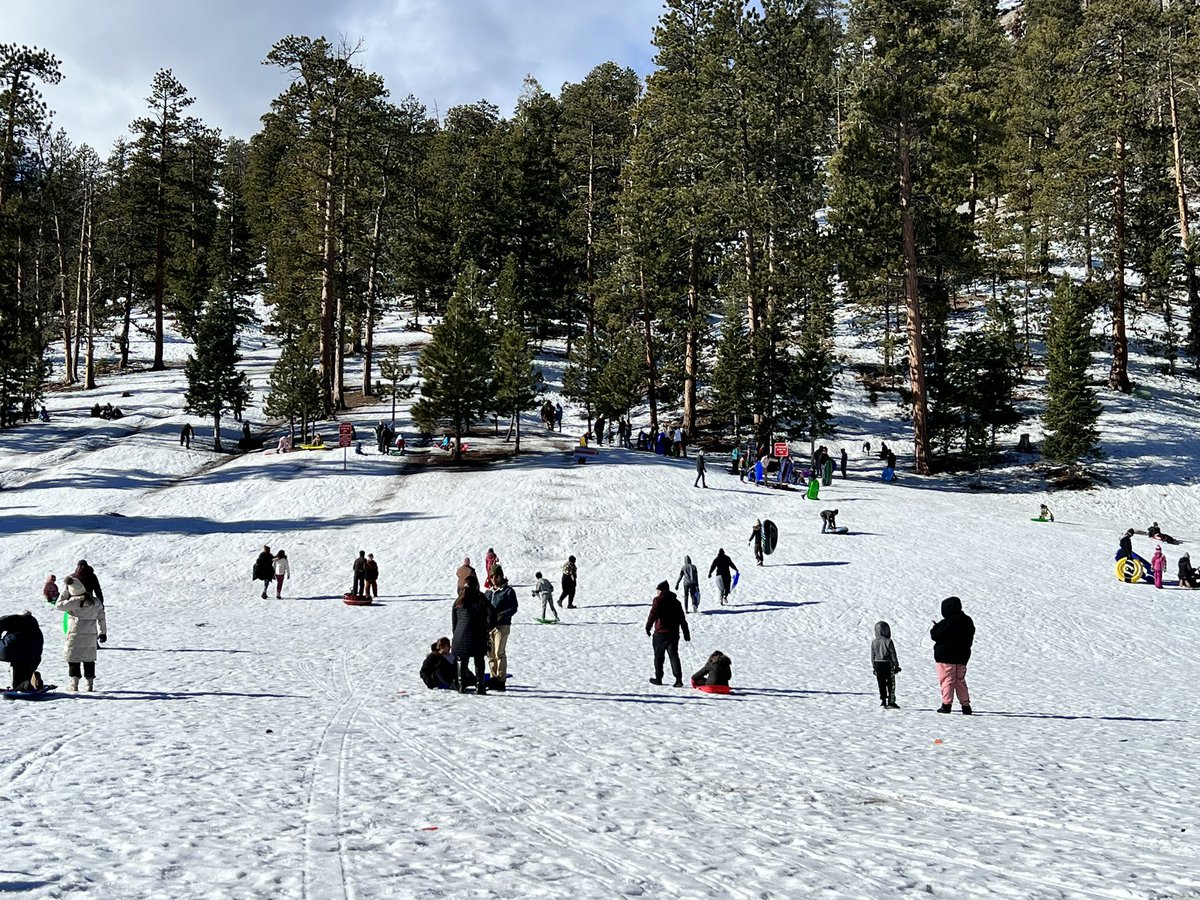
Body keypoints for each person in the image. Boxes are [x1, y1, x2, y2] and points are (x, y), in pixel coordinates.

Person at [57, 576, 107, 692]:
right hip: (90, 635)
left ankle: (74, 685)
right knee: (89, 660)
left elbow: (58, 605)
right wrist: (103, 632)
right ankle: (89, 685)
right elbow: (102, 617)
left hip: (75, 635)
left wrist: (65, 591)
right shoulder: (95, 601)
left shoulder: (74, 602)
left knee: (73, 659)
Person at [931, 596, 975, 715]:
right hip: (962, 657)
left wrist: (936, 627)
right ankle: (966, 706)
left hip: (945, 657)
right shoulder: (967, 620)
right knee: (960, 681)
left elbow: (935, 635)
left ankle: (946, 705)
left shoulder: (947, 622)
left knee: (947, 680)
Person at [452, 574, 492, 694]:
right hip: (477, 635)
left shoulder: (458, 600)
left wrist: (456, 633)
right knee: (479, 660)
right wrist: (487, 628)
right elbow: (492, 615)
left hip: (460, 636)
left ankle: (461, 685)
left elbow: (454, 621)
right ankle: (480, 686)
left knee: (461, 660)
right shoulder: (481, 599)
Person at [646, 581, 690, 687]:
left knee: (659, 657)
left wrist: (648, 626)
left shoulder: (658, 600)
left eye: (658, 590)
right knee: (674, 655)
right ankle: (678, 680)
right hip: (674, 633)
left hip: (660, 633)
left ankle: (659, 678)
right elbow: (682, 619)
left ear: (661, 590)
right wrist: (686, 632)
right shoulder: (676, 602)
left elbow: (653, 614)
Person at [486, 565, 518, 691]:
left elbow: (513, 607)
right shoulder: (488, 592)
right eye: (491, 576)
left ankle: (500, 679)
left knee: (499, 652)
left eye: (496, 576)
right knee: (491, 654)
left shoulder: (508, 591)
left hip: (502, 625)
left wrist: (502, 615)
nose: (494, 579)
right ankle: (493, 677)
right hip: (490, 627)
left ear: (501, 576)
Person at [0, 610, 44, 692]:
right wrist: (31, 671)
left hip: (8, 649)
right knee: (19, 683)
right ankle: (29, 683)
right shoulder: (37, 631)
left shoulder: (14, 619)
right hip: (26, 656)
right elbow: (38, 653)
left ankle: (28, 683)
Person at [871, 621, 901, 709]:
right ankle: (891, 701)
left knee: (881, 683)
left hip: (878, 663)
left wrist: (874, 666)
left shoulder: (874, 642)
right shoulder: (888, 641)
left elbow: (872, 655)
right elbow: (893, 654)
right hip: (888, 664)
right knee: (890, 683)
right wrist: (896, 665)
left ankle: (883, 700)